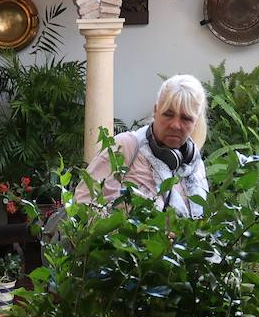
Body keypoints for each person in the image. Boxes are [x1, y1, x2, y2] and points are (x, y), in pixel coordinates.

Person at [71, 74, 210, 218]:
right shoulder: (125, 147)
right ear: (155, 111)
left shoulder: (195, 164)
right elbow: (80, 207)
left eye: (186, 118)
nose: (175, 125)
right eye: (168, 114)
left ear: (196, 121)